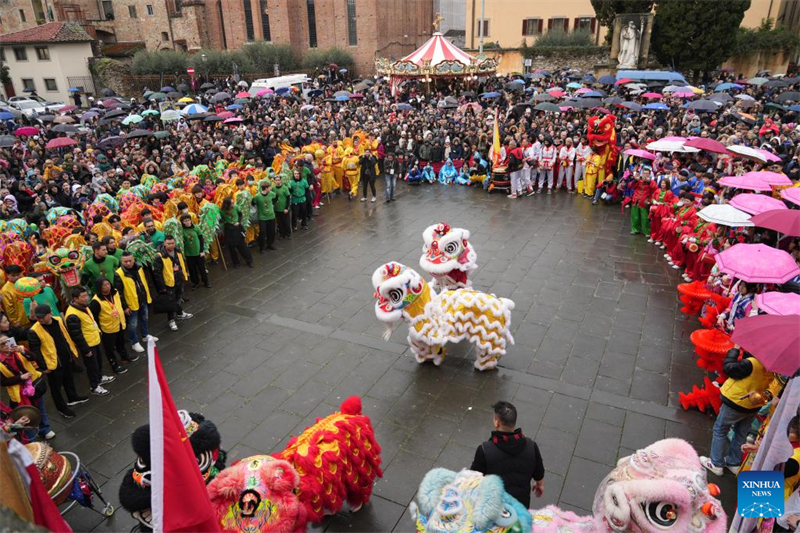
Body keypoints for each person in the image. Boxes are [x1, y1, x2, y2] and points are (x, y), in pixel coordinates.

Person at [700, 346, 775, 476]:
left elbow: (729, 368)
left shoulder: (751, 363)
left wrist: (734, 351)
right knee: (741, 433)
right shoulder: (773, 369)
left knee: (720, 429)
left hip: (735, 402)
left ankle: (716, 463)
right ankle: (734, 463)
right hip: (752, 406)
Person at [470, 401, 545, 508]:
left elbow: (473, 479)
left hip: (495, 507)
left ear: (497, 422)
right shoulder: (531, 446)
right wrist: (540, 485)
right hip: (520, 507)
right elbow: (539, 473)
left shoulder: (485, 450)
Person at [27, 304, 87, 419]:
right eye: (38, 317)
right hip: (52, 364)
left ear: (50, 314)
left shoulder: (58, 320)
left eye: (42, 317)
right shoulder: (34, 331)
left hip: (65, 357)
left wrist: (71, 352)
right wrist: (43, 366)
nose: (40, 319)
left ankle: (73, 397)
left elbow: (65, 336)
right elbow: (35, 350)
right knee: (56, 388)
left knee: (69, 379)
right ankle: (62, 408)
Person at [0, 334, 54, 440]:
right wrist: (21, 378)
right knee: (25, 415)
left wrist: (23, 351)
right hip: (18, 393)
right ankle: (30, 437)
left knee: (41, 409)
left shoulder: (19, 349)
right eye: (2, 344)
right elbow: (3, 382)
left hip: (33, 386)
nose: (6, 345)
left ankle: (45, 430)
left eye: (8, 341)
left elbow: (34, 358)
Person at [65, 286, 117, 394]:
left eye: (86, 295)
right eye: (83, 296)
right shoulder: (72, 315)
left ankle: (100, 377)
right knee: (91, 366)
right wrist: (85, 349)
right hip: (88, 344)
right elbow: (76, 335)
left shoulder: (84, 306)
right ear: (75, 298)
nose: (86, 298)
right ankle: (94, 386)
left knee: (98, 362)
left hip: (95, 339)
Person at [90, 278, 137, 374]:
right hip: (108, 327)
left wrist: (124, 308)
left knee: (121, 342)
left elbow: (120, 301)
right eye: (104, 285)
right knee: (109, 348)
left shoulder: (114, 292)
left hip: (119, 322)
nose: (107, 286)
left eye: (108, 284)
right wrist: (98, 330)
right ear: (99, 287)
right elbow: (94, 317)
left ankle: (124, 356)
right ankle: (114, 365)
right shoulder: (96, 301)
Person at [115, 251, 157, 352]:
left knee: (144, 318)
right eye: (126, 261)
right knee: (133, 324)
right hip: (131, 303)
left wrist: (148, 296)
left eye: (130, 261)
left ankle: (145, 335)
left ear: (134, 259)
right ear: (122, 261)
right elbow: (119, 293)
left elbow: (144, 282)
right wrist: (124, 307)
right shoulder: (119, 274)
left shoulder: (139, 268)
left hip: (142, 299)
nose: (128, 263)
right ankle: (134, 342)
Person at [152, 235, 193, 331]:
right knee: (170, 301)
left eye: (172, 243)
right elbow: (157, 274)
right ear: (164, 243)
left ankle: (180, 313)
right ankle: (171, 320)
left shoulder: (178, 251)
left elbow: (182, 263)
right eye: (168, 243)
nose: (171, 245)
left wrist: (184, 275)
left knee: (178, 298)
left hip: (179, 279)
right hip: (168, 282)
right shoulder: (159, 256)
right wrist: (162, 287)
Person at [220, 196, 253, 268]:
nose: (233, 204)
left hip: (237, 229)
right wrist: (226, 222)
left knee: (242, 246)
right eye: (231, 203)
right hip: (229, 230)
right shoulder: (222, 211)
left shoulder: (236, 207)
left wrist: (238, 221)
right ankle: (236, 263)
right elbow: (222, 219)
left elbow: (240, 214)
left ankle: (249, 261)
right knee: (231, 248)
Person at [179, 214, 211, 288]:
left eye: (188, 220)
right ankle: (195, 282)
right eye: (185, 221)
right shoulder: (182, 231)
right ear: (182, 222)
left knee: (202, 268)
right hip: (189, 253)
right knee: (192, 270)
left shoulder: (196, 227)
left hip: (198, 252)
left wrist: (202, 250)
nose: (187, 222)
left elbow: (201, 239)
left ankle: (206, 281)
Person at [252, 179, 277, 253]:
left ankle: (270, 244)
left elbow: (275, 198)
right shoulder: (257, 196)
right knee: (262, 232)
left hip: (271, 216)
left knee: (272, 231)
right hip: (262, 218)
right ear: (266, 188)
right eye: (269, 187)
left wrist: (272, 205)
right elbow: (253, 203)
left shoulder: (272, 194)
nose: (270, 188)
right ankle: (261, 247)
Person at [273, 175, 292, 240]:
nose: (277, 181)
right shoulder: (273, 189)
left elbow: (288, 198)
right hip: (277, 209)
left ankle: (288, 234)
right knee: (279, 222)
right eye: (276, 180)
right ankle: (282, 234)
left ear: (281, 180)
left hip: (284, 209)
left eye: (279, 180)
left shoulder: (285, 188)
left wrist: (287, 208)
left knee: (286, 222)